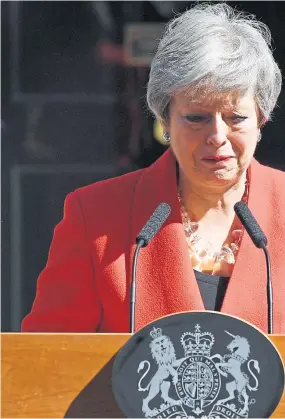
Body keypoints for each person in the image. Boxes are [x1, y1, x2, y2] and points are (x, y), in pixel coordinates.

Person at [22, 3, 285, 334]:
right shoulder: (95, 217)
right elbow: (44, 362)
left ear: (261, 119)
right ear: (165, 119)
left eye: (236, 118)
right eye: (196, 118)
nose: (217, 136)